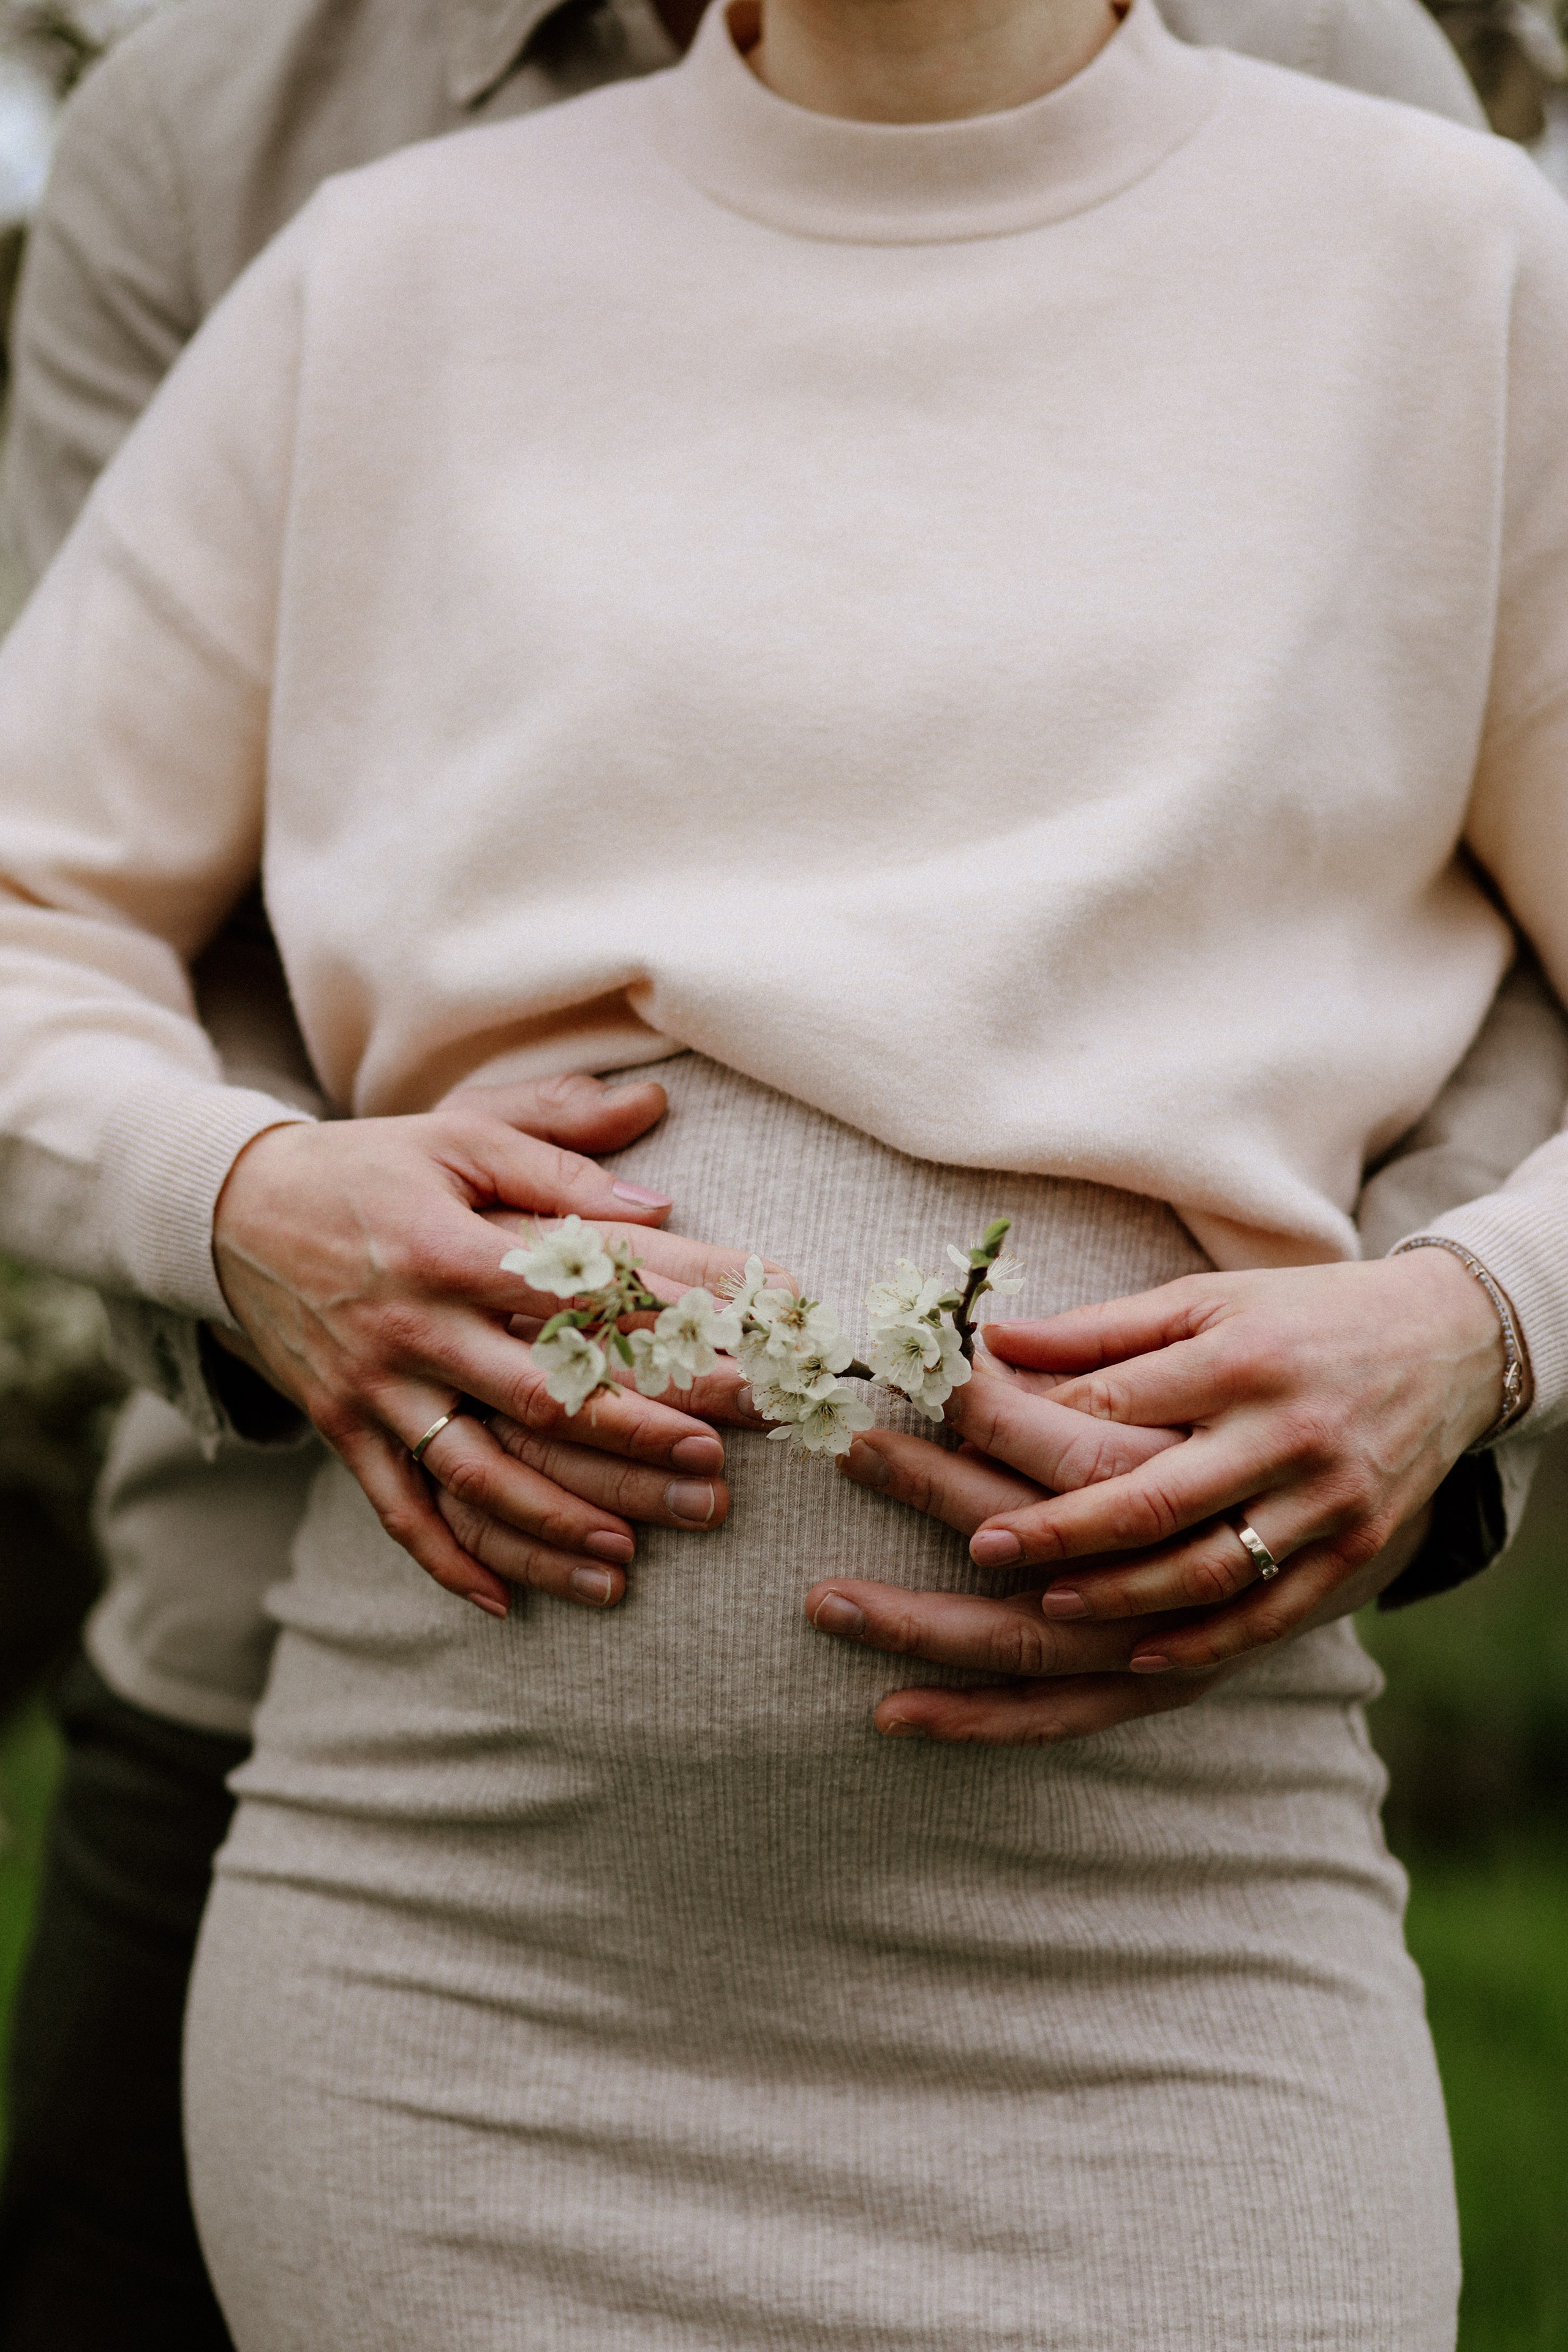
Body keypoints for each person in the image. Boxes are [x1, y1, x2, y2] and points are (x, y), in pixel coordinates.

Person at [2, 0, 1567, 2337]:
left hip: (1159, 1969)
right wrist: (227, 1199)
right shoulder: (386, 271)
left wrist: (1480, 1324)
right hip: (462, 1972)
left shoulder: (1456, 269)